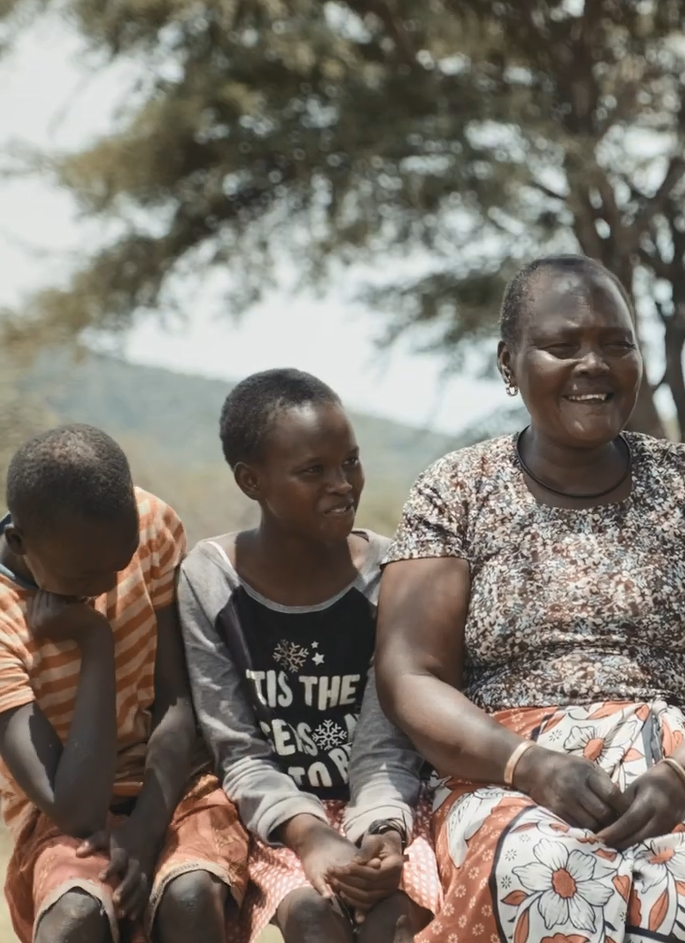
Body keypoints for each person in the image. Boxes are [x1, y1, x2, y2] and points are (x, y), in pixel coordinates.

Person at [375, 254, 685, 943]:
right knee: (537, 869)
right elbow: (409, 675)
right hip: (501, 772)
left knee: (680, 881)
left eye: (615, 343)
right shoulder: (455, 490)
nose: (592, 364)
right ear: (509, 364)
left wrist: (682, 778)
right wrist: (528, 765)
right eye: (562, 345)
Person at [0, 425, 247, 943]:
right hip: (59, 815)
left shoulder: (151, 524)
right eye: (87, 578)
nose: (110, 584)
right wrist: (95, 644)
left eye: (121, 561)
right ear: (21, 542)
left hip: (177, 785)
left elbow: (177, 698)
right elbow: (75, 810)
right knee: (77, 917)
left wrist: (146, 830)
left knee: (190, 896)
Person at [176, 369, 437, 943]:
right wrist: (309, 835)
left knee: (393, 920)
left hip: (388, 808)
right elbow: (236, 747)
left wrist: (383, 836)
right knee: (312, 918)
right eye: (313, 471)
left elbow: (385, 743)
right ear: (252, 481)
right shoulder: (211, 580)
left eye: (351, 462)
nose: (342, 484)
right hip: (279, 820)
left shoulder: (389, 577)